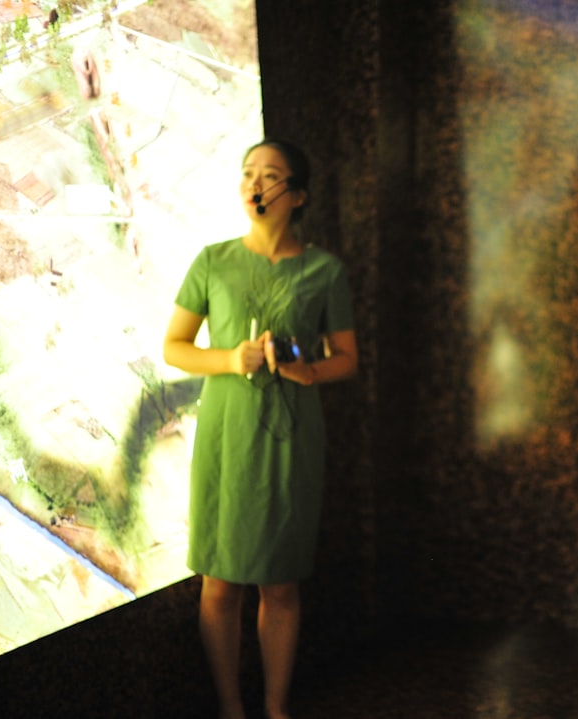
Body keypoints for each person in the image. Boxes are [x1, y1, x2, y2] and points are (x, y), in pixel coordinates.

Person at [163, 138, 358, 719]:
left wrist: (307, 370)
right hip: (226, 437)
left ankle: (276, 709)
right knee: (220, 582)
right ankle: (231, 707)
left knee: (281, 582)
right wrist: (230, 358)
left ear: (297, 195)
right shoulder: (212, 261)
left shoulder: (324, 270)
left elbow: (348, 359)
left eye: (270, 175)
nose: (255, 183)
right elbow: (174, 347)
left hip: (291, 437)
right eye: (248, 172)